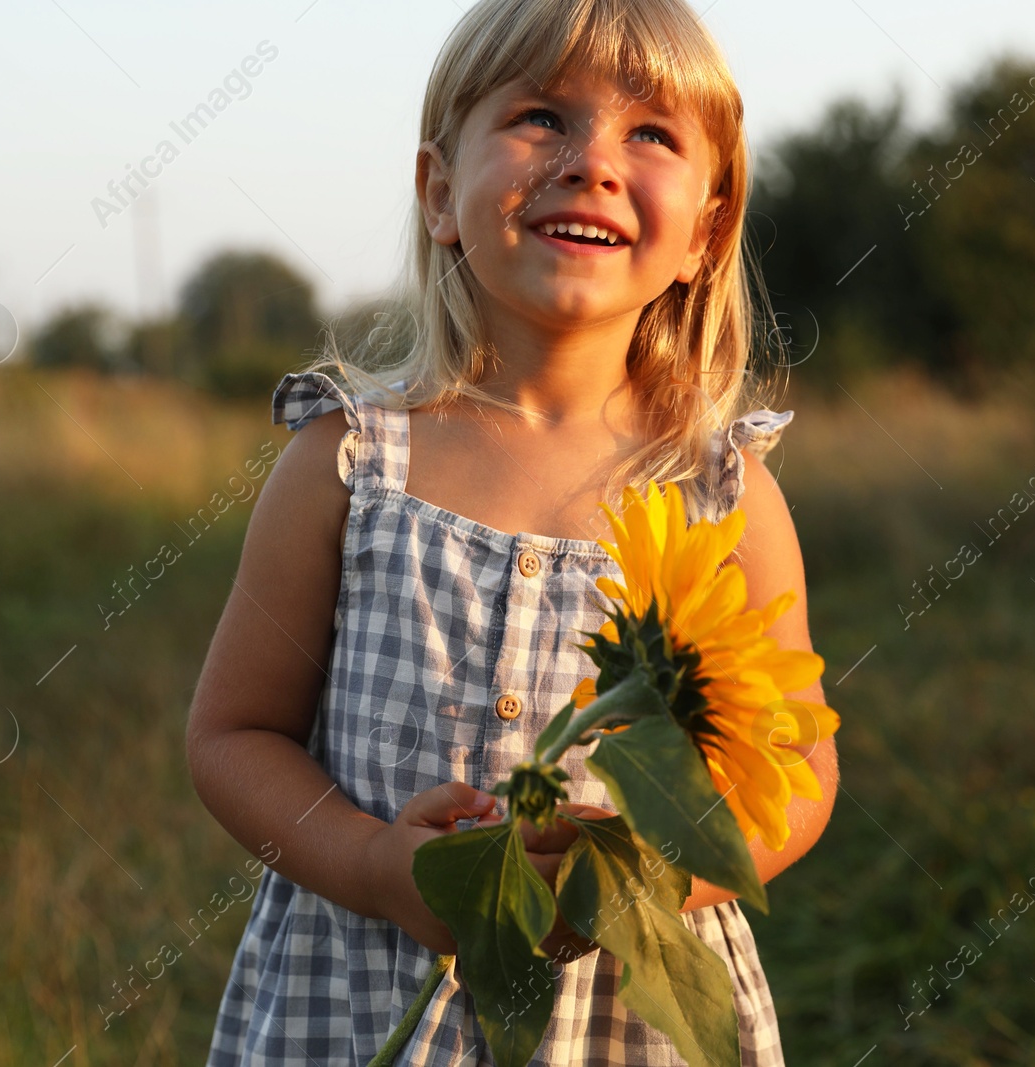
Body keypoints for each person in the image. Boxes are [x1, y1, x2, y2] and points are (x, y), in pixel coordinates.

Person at [187, 0, 838, 1061]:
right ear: (441, 192)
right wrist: (375, 867)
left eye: (653, 134)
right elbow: (231, 734)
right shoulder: (350, 463)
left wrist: (635, 881)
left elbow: (798, 764)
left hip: (625, 1008)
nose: (591, 162)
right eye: (541, 117)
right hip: (365, 995)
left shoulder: (722, 491)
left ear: (707, 232)